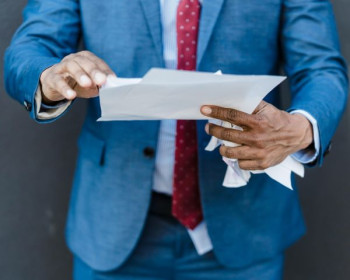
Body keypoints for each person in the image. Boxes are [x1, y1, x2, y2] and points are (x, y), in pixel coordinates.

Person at [4, 0, 348, 279]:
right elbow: (32, 46)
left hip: (245, 226)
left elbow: (321, 67)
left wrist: (301, 128)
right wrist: (49, 75)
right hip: (113, 221)